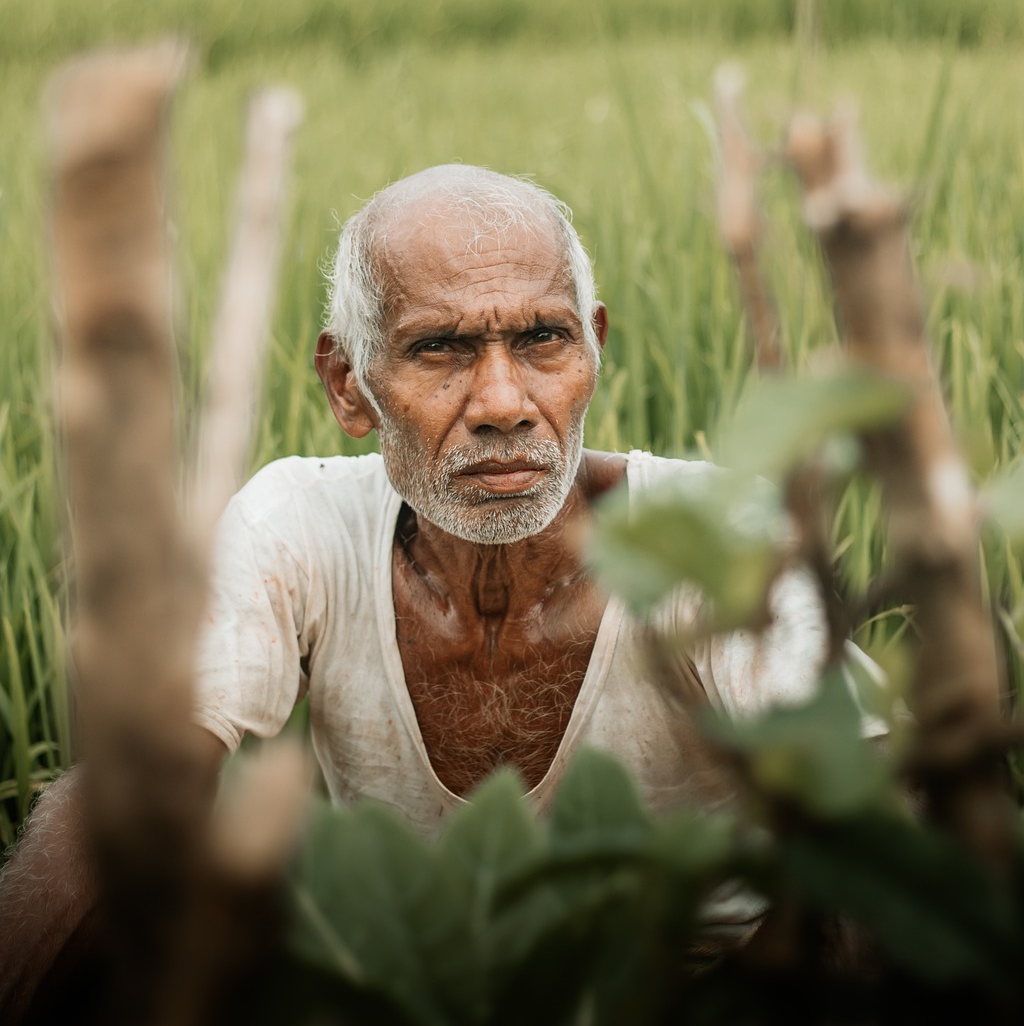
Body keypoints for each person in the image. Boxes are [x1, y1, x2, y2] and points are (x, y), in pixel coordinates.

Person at [0, 163, 872, 1016]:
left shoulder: (713, 536)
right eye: (441, 349)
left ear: (594, 347)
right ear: (350, 386)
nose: (503, 401)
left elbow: (872, 840)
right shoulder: (297, 527)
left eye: (542, 340)